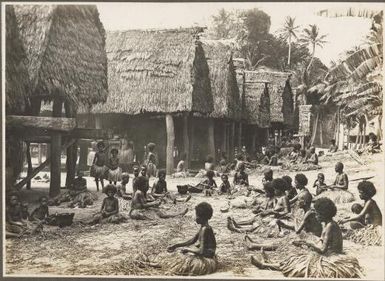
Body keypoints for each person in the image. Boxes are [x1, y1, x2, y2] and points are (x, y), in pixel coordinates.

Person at [250, 198, 363, 278]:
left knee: (297, 265)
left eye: (318, 214)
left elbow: (323, 250)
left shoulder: (330, 226)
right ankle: (269, 262)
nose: (316, 216)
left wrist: (309, 244)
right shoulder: (329, 224)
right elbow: (323, 242)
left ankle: (264, 265)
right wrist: (305, 243)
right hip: (328, 254)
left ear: (324, 214)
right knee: (295, 257)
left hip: (331, 257)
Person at [157, 202, 217, 276]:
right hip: (205, 254)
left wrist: (187, 250)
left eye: (197, 215)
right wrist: (176, 245)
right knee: (179, 255)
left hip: (206, 258)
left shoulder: (205, 229)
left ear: (202, 217)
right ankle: (159, 264)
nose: (195, 218)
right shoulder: (203, 227)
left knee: (181, 262)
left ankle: (159, 265)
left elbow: (201, 251)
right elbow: (192, 241)